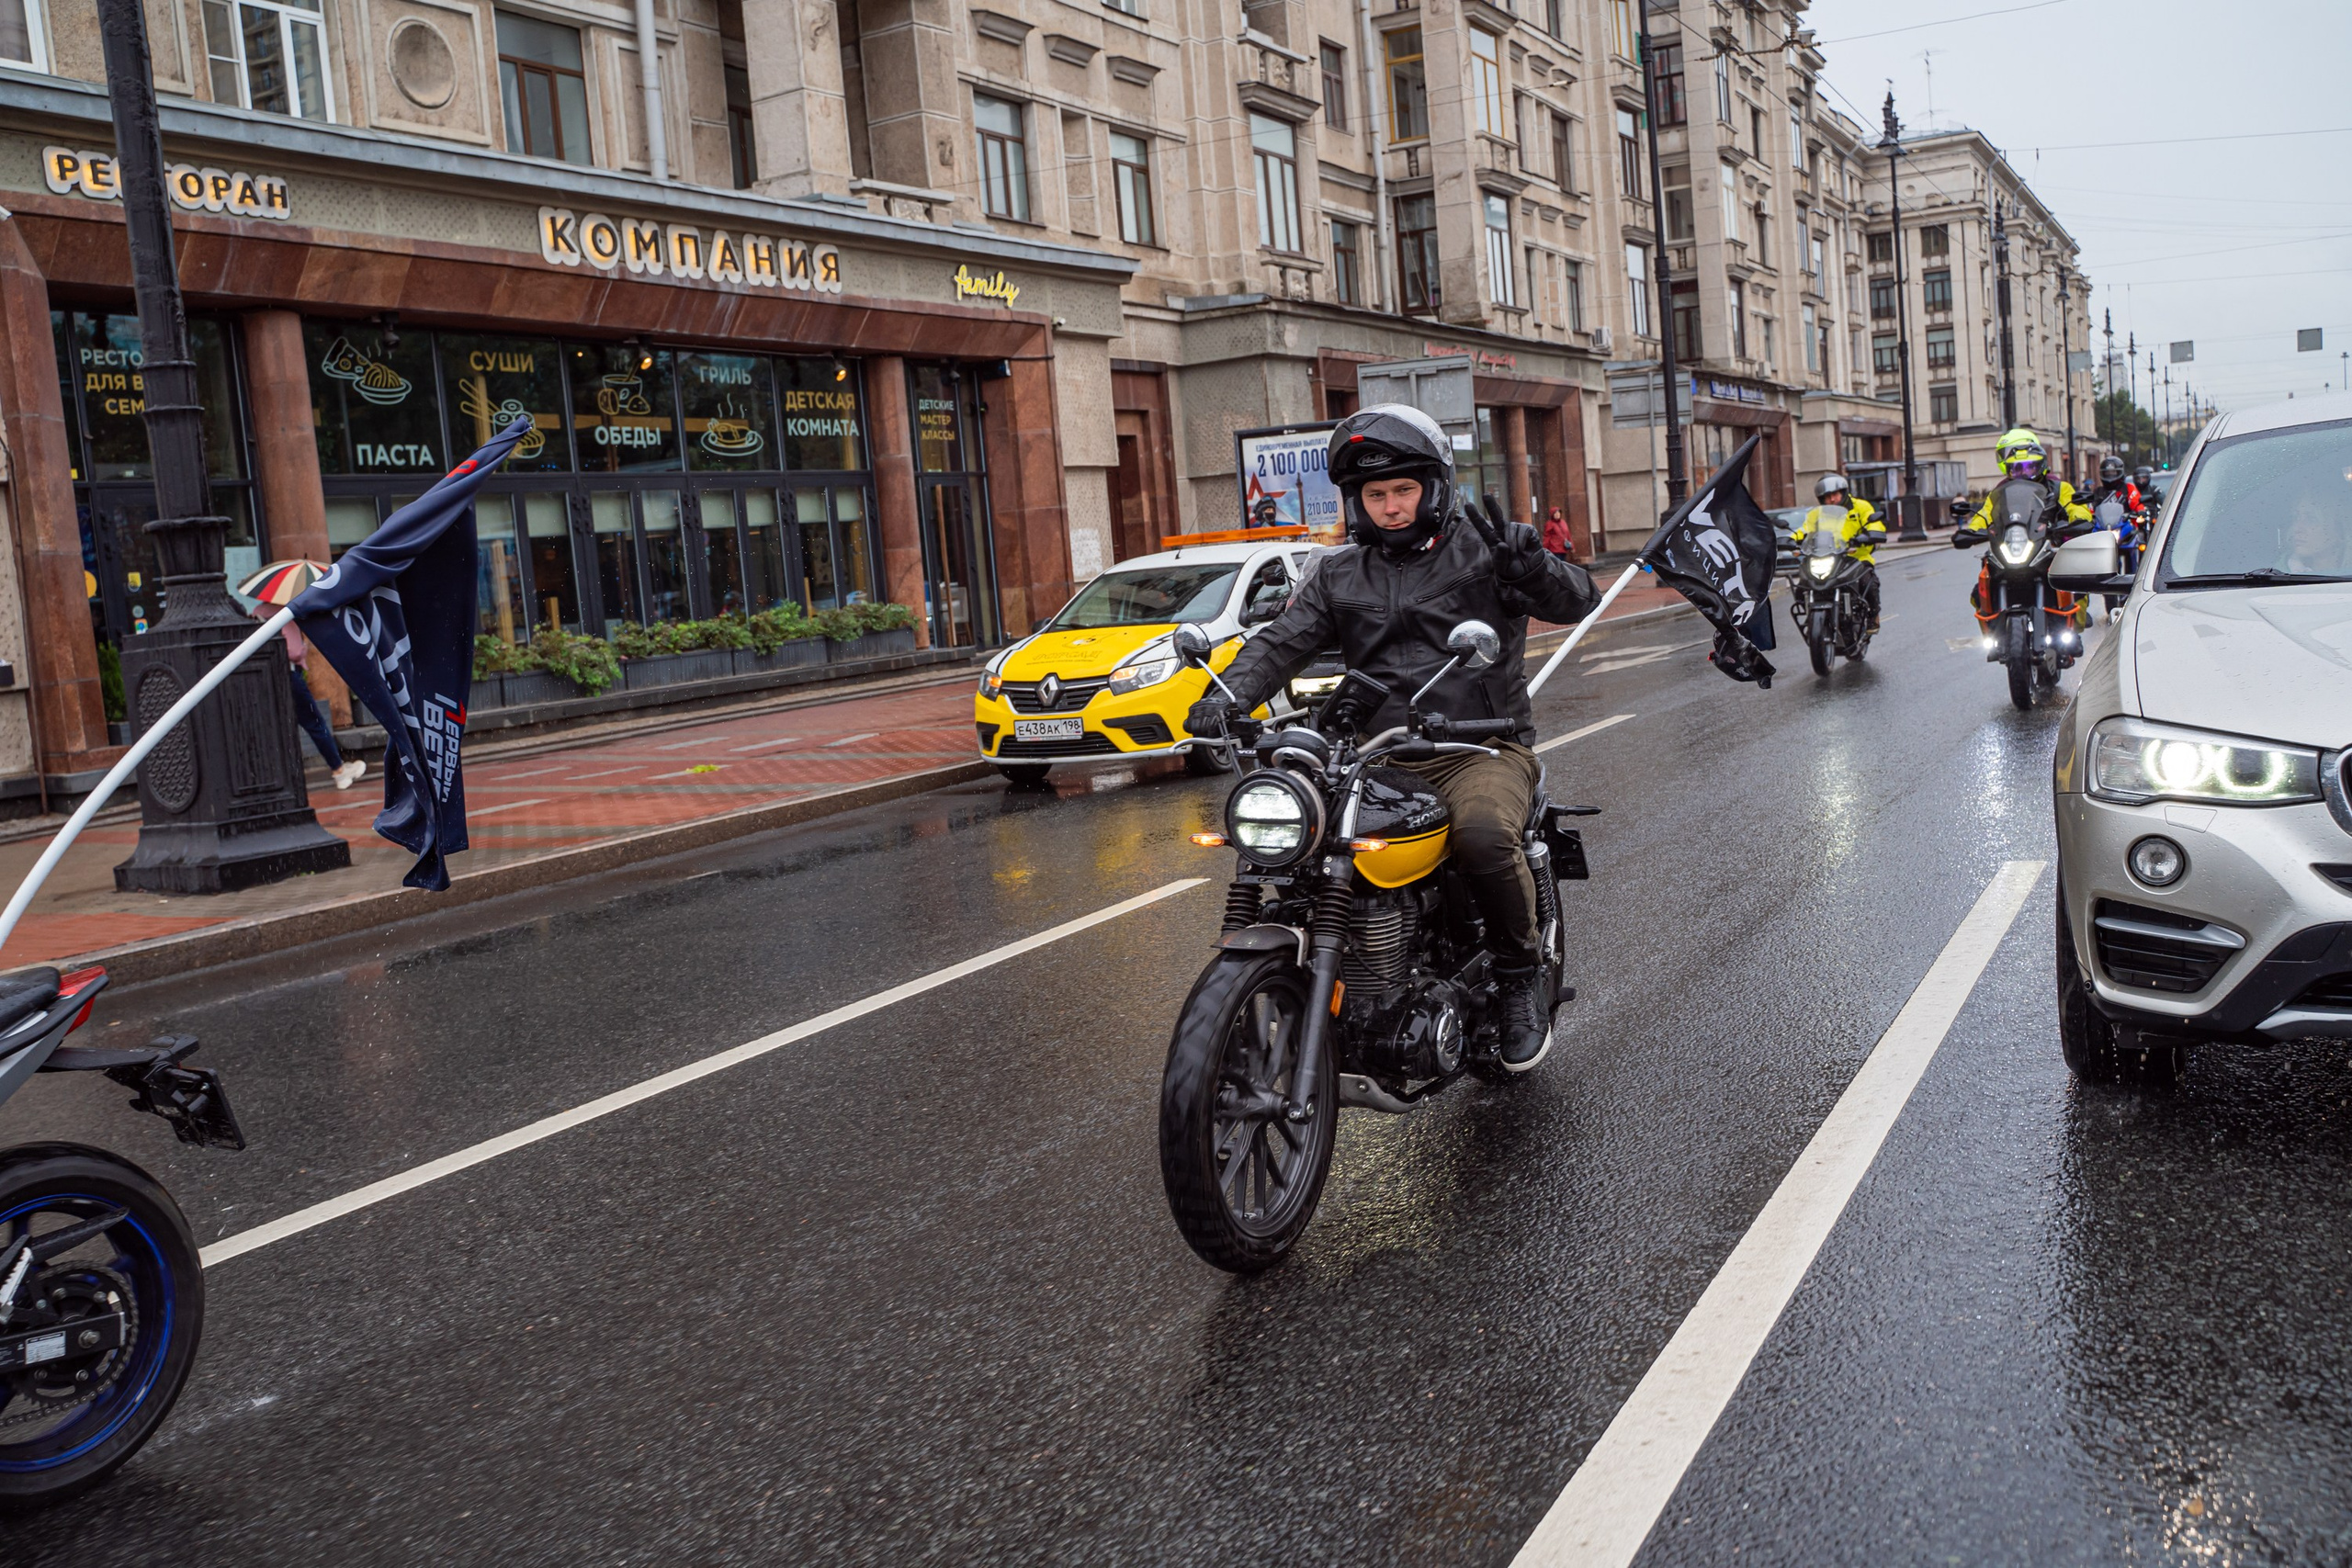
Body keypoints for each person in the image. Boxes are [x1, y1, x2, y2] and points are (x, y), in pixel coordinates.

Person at [1185, 404, 1598, 1070]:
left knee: (1484, 832)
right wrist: (1224, 695)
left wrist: (1534, 570)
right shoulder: (1339, 573)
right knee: (1296, 837)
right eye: (1375, 495)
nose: (1391, 506)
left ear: (1434, 488)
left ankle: (1520, 972)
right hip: (1375, 754)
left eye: (1403, 490)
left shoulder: (1486, 551)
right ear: (1357, 501)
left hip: (1478, 747)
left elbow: (1578, 599)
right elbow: (1282, 642)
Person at [1957, 427, 2093, 633]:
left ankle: (2072, 628)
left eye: (2030, 467)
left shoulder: (2058, 487)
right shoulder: (2000, 492)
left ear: (2041, 466)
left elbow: (2075, 507)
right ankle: (1993, 632)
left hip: (2049, 545)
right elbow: (1985, 514)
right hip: (2013, 546)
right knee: (1979, 590)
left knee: (2077, 581)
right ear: (2008, 469)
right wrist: (1972, 531)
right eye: (2017, 468)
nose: (2023, 473)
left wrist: (2079, 520)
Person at [271, 613, 367, 790]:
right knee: (314, 722)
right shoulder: (284, 615)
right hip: (290, 675)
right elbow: (294, 651)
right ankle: (339, 770)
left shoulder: (258, 613)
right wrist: (304, 646)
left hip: (269, 676)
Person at [1789, 474, 1886, 631]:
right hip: (1827, 556)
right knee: (1803, 585)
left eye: (1835, 494)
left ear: (1843, 492)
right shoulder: (1816, 514)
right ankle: (1812, 615)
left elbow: (1874, 523)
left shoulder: (1861, 507)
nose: (1832, 499)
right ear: (1821, 499)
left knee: (1868, 582)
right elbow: (1805, 530)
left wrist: (1871, 534)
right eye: (1827, 497)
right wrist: (1791, 539)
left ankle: (1873, 617)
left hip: (1856, 557)